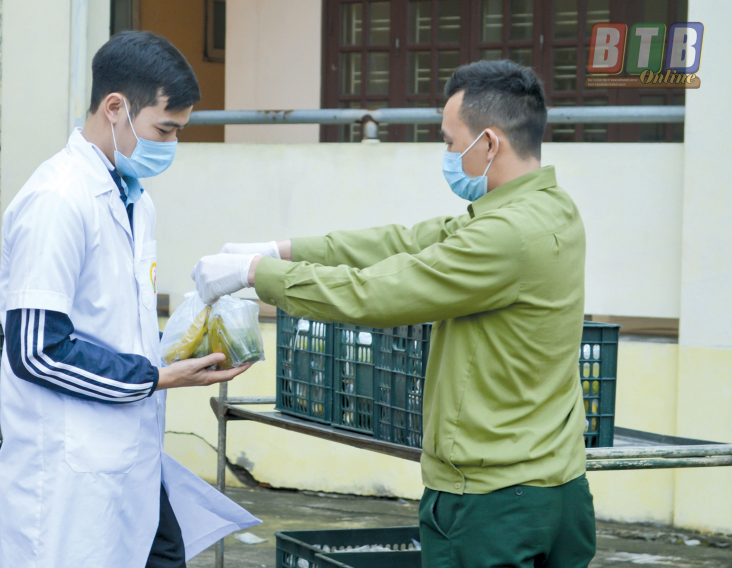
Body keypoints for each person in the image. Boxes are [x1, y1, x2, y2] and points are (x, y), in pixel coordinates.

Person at [192, 60, 595, 568]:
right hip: (560, 488)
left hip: (493, 503)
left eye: (451, 142)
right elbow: (403, 243)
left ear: (490, 143)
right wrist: (280, 249)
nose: (448, 155)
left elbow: (375, 295)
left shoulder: (505, 236)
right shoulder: (553, 209)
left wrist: (256, 273)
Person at [0, 31, 259, 568]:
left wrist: (185, 346)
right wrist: (157, 377)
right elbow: (36, 351)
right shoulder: (56, 201)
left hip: (131, 458)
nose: (172, 145)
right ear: (115, 108)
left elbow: (114, 322)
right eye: (165, 129)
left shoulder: (135, 199)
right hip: (70, 476)